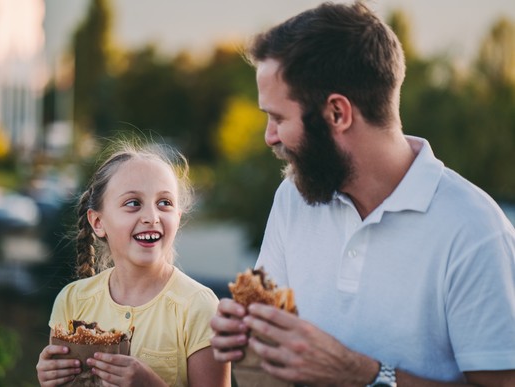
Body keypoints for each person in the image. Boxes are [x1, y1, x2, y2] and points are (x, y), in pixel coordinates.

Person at [210, 2, 515, 386]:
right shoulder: (293, 198)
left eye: (278, 118)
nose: (269, 136)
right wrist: (243, 333)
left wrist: (362, 375)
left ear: (337, 113)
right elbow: (274, 342)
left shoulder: (474, 230)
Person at [37, 140, 230, 386]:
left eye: (165, 203)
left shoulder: (199, 307)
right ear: (98, 222)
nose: (151, 217)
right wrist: (50, 379)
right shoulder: (72, 300)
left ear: (178, 218)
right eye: (133, 203)